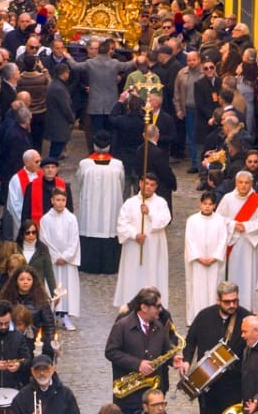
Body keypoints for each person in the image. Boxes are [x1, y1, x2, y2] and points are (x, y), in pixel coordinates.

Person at [182, 282, 250, 414]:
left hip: (233, 383)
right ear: (218, 300)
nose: (232, 305)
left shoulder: (245, 317)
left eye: (235, 300)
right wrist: (186, 361)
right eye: (227, 301)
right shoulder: (204, 316)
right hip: (207, 383)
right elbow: (190, 339)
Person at [104, 286, 182, 414]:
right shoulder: (122, 326)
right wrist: (138, 364)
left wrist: (173, 359)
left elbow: (165, 350)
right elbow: (111, 352)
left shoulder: (158, 326)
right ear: (144, 307)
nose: (161, 309)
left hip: (153, 396)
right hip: (129, 397)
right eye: (157, 306)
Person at [113, 174, 172, 308]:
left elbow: (165, 220)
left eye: (152, 185)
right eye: (146, 183)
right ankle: (130, 307)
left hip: (153, 249)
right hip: (134, 248)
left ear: (156, 187)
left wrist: (149, 213)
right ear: (140, 183)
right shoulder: (130, 203)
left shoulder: (161, 203)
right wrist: (134, 235)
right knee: (133, 277)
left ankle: (154, 307)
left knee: (152, 276)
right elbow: (122, 224)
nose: (149, 187)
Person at [216, 171, 258, 310]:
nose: (243, 186)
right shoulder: (227, 199)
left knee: (249, 276)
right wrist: (234, 225)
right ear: (236, 183)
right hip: (232, 244)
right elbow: (219, 219)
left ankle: (248, 306)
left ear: (251, 184)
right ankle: (230, 303)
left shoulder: (257, 200)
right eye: (241, 182)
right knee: (233, 274)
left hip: (249, 243)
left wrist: (245, 226)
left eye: (246, 183)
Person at [75, 131, 126, 273]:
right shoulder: (117, 165)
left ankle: (90, 264)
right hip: (111, 206)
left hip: (90, 206)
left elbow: (79, 182)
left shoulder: (85, 164)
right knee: (109, 229)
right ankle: (110, 265)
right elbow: (122, 184)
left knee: (91, 227)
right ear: (109, 146)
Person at [185, 192, 229, 324]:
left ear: (214, 205)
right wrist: (198, 257)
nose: (207, 207)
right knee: (197, 288)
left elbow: (223, 240)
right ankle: (197, 317)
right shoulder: (192, 220)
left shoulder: (220, 220)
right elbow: (189, 240)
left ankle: (214, 317)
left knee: (213, 288)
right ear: (200, 204)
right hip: (198, 262)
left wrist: (215, 257)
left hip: (214, 262)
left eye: (210, 204)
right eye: (205, 204)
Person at [40, 188, 81, 329]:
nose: (60, 203)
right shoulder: (45, 219)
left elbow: (74, 240)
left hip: (67, 261)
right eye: (57, 200)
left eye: (63, 200)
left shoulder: (71, 219)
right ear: (52, 201)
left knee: (67, 287)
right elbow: (44, 240)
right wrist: (55, 256)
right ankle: (51, 314)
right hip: (52, 261)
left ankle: (65, 316)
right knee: (53, 286)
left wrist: (66, 256)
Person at [22, 158, 74, 228]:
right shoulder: (31, 186)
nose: (50, 170)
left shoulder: (64, 186)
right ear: (41, 169)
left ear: (57, 169)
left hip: (59, 225)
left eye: (53, 167)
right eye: (47, 167)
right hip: (38, 226)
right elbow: (26, 210)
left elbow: (69, 208)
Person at [7, 150, 43, 241]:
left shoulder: (42, 175)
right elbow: (14, 204)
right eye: (36, 162)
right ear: (27, 163)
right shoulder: (16, 179)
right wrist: (26, 222)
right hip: (24, 221)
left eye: (40, 161)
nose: (39, 164)